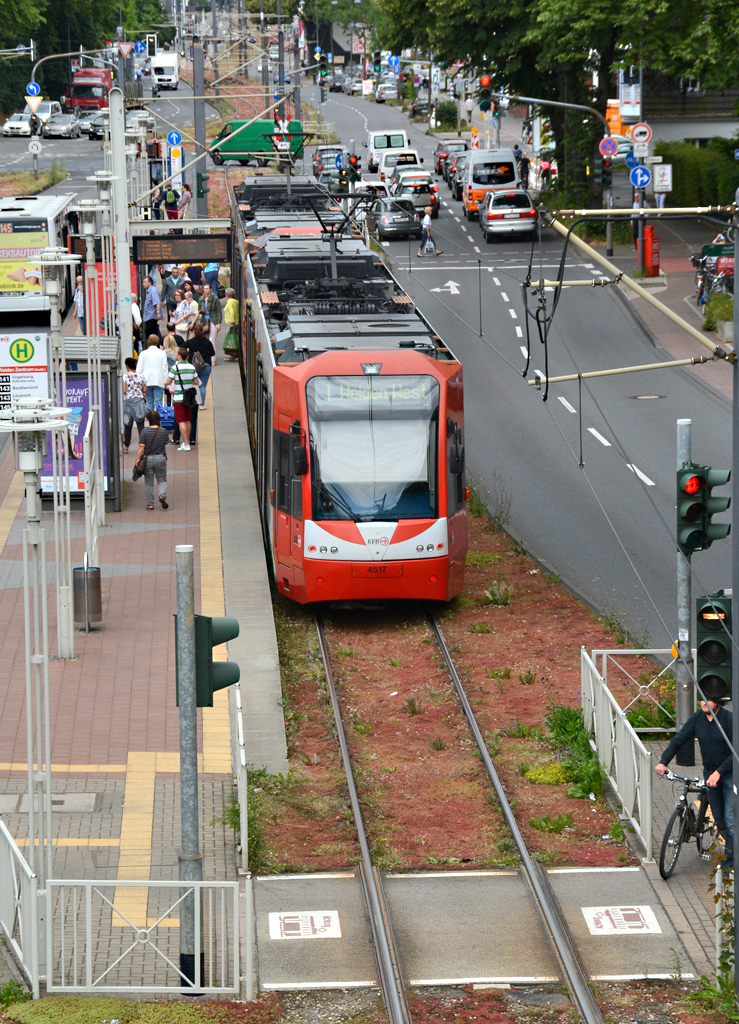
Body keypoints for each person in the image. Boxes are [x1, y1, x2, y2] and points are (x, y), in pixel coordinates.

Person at [655, 698, 733, 870]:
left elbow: (736, 752)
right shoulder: (698, 718)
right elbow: (679, 739)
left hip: (729, 775)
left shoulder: (729, 719)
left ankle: (731, 863)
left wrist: (718, 773)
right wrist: (663, 762)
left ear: (718, 701)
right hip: (709, 772)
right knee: (719, 820)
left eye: (709, 699)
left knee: (730, 819)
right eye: (701, 699)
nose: (704, 702)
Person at [136, 409, 169, 510]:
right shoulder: (163, 431)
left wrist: (138, 458)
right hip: (161, 458)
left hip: (148, 459)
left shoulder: (145, 431)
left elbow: (142, 446)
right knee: (162, 479)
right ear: (159, 420)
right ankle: (162, 495)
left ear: (148, 420)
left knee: (149, 482)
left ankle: (150, 503)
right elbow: (167, 442)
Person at [165, 347, 197, 450]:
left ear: (179, 356)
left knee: (181, 421)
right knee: (188, 420)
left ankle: (186, 444)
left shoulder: (175, 368)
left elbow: (168, 382)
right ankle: (186, 441)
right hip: (189, 398)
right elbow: (196, 381)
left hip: (179, 398)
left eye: (176, 354)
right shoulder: (192, 367)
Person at [136, 334, 168, 411]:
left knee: (149, 401)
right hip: (159, 380)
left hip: (146, 380)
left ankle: (150, 419)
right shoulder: (162, 353)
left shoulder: (143, 353)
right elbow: (164, 369)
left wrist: (139, 381)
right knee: (158, 402)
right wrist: (166, 381)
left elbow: (139, 368)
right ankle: (157, 419)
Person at [122, 356, 147, 453]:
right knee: (141, 425)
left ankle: (126, 447)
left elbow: (124, 390)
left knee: (128, 425)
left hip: (128, 402)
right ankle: (142, 446)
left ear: (127, 366)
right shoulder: (141, 376)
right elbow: (145, 389)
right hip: (139, 402)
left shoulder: (125, 376)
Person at [188, 322, 216, 408]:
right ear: (202, 331)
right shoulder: (207, 342)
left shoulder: (190, 342)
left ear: (194, 332)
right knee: (202, 386)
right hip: (205, 365)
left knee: (192, 385)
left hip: (192, 367)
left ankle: (192, 403)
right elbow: (212, 353)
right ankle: (201, 404)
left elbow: (182, 347)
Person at [199, 282, 223, 349]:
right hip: (204, 321)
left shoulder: (215, 299)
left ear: (210, 289)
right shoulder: (201, 299)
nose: (205, 290)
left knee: (212, 341)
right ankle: (207, 357)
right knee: (204, 340)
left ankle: (213, 359)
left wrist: (218, 323)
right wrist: (201, 311)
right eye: (204, 289)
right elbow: (198, 311)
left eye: (207, 289)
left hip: (213, 321)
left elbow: (219, 311)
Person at [142, 275, 162, 341]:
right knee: (154, 331)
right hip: (148, 316)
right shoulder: (149, 291)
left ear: (150, 283)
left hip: (152, 316)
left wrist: (158, 313)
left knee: (148, 331)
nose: (143, 284)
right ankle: (159, 344)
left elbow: (157, 302)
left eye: (145, 282)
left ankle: (155, 345)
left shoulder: (153, 290)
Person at [223, 287, 239, 359]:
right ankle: (234, 354)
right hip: (236, 322)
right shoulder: (236, 301)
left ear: (227, 295)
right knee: (234, 338)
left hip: (231, 322)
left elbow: (232, 312)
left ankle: (232, 353)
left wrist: (231, 322)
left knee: (230, 338)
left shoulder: (229, 302)